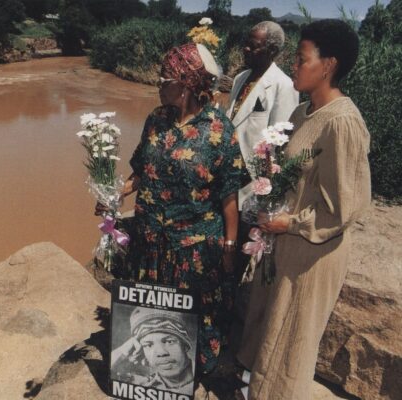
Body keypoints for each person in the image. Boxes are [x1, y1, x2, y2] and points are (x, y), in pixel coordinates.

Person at [235, 20, 371, 400]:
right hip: (285, 245)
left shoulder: (343, 123)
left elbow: (344, 209)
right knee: (270, 330)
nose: (293, 66)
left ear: (327, 65)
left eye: (301, 59)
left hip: (313, 253)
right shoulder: (301, 113)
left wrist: (288, 222)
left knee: (292, 339)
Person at [102, 41, 244, 374]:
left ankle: (187, 378)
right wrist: (114, 194)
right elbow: (141, 171)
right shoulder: (156, 119)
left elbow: (229, 196)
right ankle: (151, 380)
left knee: (189, 322)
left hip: (192, 251)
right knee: (153, 314)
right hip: (150, 241)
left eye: (165, 78)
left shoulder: (219, 131)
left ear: (187, 83)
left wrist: (229, 247)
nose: (159, 84)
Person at [226, 21, 299, 210]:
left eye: (254, 46)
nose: (246, 48)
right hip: (227, 174)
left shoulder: (284, 85)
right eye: (246, 43)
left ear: (272, 50)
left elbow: (280, 142)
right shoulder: (240, 79)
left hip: (252, 180)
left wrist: (268, 186)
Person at [111, 307, 195, 394]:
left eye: (170, 341)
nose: (161, 352)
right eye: (148, 345)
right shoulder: (141, 386)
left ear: (185, 345)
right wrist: (123, 350)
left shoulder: (205, 378)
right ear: (142, 351)